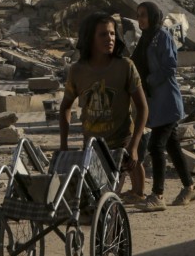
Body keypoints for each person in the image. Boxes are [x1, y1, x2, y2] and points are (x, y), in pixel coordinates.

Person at [59, 11, 148, 191]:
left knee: (110, 196)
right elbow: (65, 108)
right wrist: (63, 145)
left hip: (121, 144)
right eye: (103, 34)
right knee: (94, 197)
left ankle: (138, 194)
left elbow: (142, 107)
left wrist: (134, 145)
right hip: (92, 146)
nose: (110, 38)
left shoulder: (125, 66)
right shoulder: (77, 71)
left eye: (112, 33)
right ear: (89, 38)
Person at [131, 1, 195, 211]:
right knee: (172, 145)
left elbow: (170, 66)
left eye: (144, 15)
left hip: (166, 100)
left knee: (156, 146)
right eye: (138, 15)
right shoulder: (145, 38)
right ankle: (189, 187)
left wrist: (148, 81)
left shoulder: (163, 36)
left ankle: (157, 195)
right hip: (155, 102)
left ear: (153, 16)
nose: (140, 19)